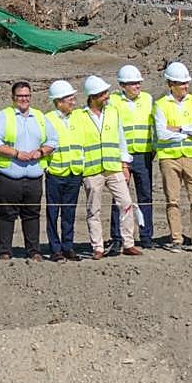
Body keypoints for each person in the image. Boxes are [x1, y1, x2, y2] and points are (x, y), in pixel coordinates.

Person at [71, 75, 140, 259]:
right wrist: (81, 168)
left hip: (113, 167)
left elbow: (121, 139)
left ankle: (128, 243)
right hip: (92, 170)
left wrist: (124, 164)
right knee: (94, 210)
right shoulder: (79, 116)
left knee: (126, 203)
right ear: (93, 97)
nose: (107, 96)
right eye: (103, 94)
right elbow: (77, 144)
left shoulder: (113, 112)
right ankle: (98, 247)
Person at [0, 81, 55, 261]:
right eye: (20, 96)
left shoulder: (39, 117)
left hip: (33, 176)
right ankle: (4, 251)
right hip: (7, 175)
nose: (24, 99)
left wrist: (41, 152)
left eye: (27, 95)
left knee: (32, 214)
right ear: (13, 97)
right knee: (6, 214)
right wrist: (16, 154)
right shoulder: (3, 117)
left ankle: (33, 251)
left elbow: (53, 140)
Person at [154, 61, 192, 253]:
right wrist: (188, 131)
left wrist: (179, 129)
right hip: (169, 158)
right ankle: (176, 239)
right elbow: (162, 133)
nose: (186, 86)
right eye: (181, 83)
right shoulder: (161, 105)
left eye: (187, 82)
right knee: (173, 200)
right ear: (171, 84)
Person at [110, 65, 156, 249]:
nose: (137, 86)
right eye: (133, 83)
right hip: (122, 156)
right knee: (120, 197)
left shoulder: (148, 99)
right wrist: (121, 157)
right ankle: (117, 237)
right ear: (123, 85)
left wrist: (153, 149)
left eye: (139, 83)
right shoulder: (113, 101)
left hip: (144, 155)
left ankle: (146, 236)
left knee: (145, 196)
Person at [42, 80, 84, 262]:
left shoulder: (77, 117)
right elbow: (43, 144)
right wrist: (46, 168)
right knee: (53, 213)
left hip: (74, 173)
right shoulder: (47, 119)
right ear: (59, 102)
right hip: (55, 174)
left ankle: (68, 246)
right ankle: (55, 249)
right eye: (70, 99)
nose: (73, 102)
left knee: (69, 213)